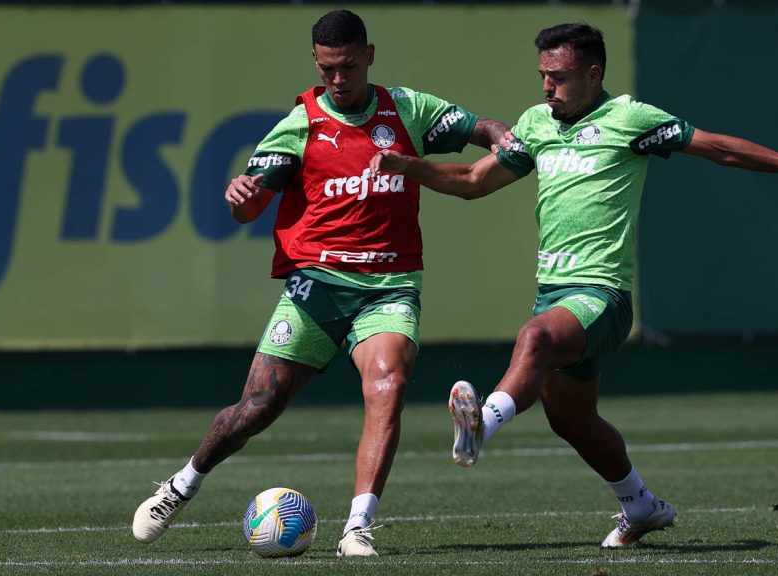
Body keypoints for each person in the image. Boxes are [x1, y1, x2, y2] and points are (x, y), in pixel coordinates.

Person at [368, 22, 778, 548]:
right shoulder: (537, 124)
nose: (546, 88)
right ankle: (641, 505)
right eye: (542, 75)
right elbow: (473, 182)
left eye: (558, 77)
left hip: (603, 297)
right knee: (573, 421)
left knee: (534, 338)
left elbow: (719, 148)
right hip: (554, 295)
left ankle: (482, 424)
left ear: (593, 73)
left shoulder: (630, 118)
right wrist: (412, 167)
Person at [131, 9, 508, 557]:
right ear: (315, 61)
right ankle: (181, 484)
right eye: (328, 68)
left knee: (388, 385)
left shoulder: (408, 109)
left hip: (388, 284)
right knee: (257, 406)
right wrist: (242, 196)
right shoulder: (300, 122)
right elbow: (252, 203)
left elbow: (481, 129)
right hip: (316, 286)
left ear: (370, 56)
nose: (338, 78)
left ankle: (357, 527)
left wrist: (505, 136)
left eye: (349, 66)